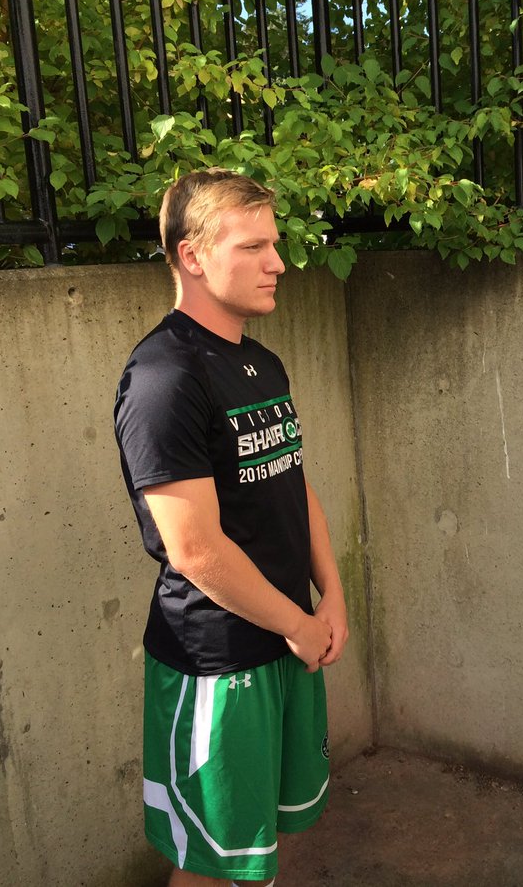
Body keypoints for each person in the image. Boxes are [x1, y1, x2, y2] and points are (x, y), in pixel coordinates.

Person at [114, 168, 349, 887]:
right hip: (216, 665)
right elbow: (194, 548)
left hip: (284, 640)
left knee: (261, 849)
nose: (278, 263)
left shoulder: (261, 362)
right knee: (214, 867)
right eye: (254, 247)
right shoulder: (164, 377)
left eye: (274, 244)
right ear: (192, 255)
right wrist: (297, 624)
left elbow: (291, 478)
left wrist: (331, 596)